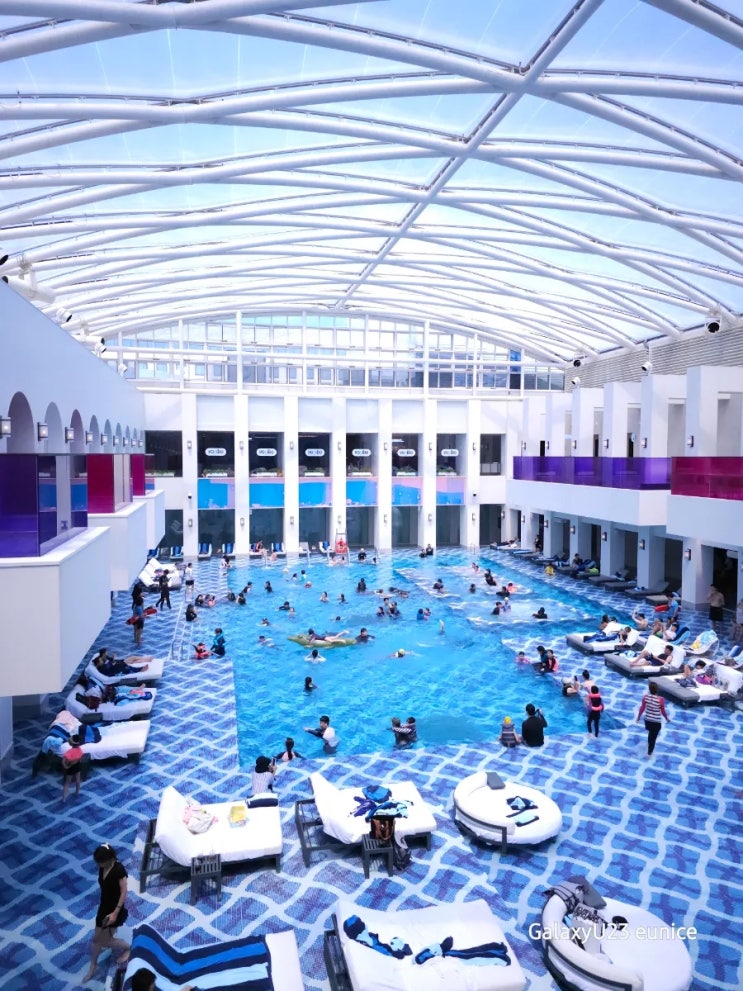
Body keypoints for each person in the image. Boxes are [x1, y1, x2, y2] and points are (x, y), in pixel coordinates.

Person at [83, 843, 130, 982]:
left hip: (115, 909)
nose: (98, 865)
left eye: (100, 862)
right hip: (103, 907)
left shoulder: (118, 869)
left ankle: (129, 947)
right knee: (97, 939)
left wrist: (115, 913)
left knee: (105, 941)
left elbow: (124, 892)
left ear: (108, 859)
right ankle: (93, 965)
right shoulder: (102, 867)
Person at [637, 681, 670, 757]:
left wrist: (638, 717)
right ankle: (649, 753)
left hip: (647, 721)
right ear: (657, 690)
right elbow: (663, 711)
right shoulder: (660, 699)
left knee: (651, 732)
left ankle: (649, 744)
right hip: (656, 722)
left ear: (649, 689)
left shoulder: (645, 697)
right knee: (653, 738)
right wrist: (666, 718)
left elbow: (642, 708)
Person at [62, 736, 84, 802]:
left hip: (71, 768)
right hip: (78, 766)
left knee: (67, 783)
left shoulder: (69, 752)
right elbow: (80, 758)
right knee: (78, 780)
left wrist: (66, 766)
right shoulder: (80, 749)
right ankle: (77, 792)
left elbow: (64, 760)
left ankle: (64, 798)